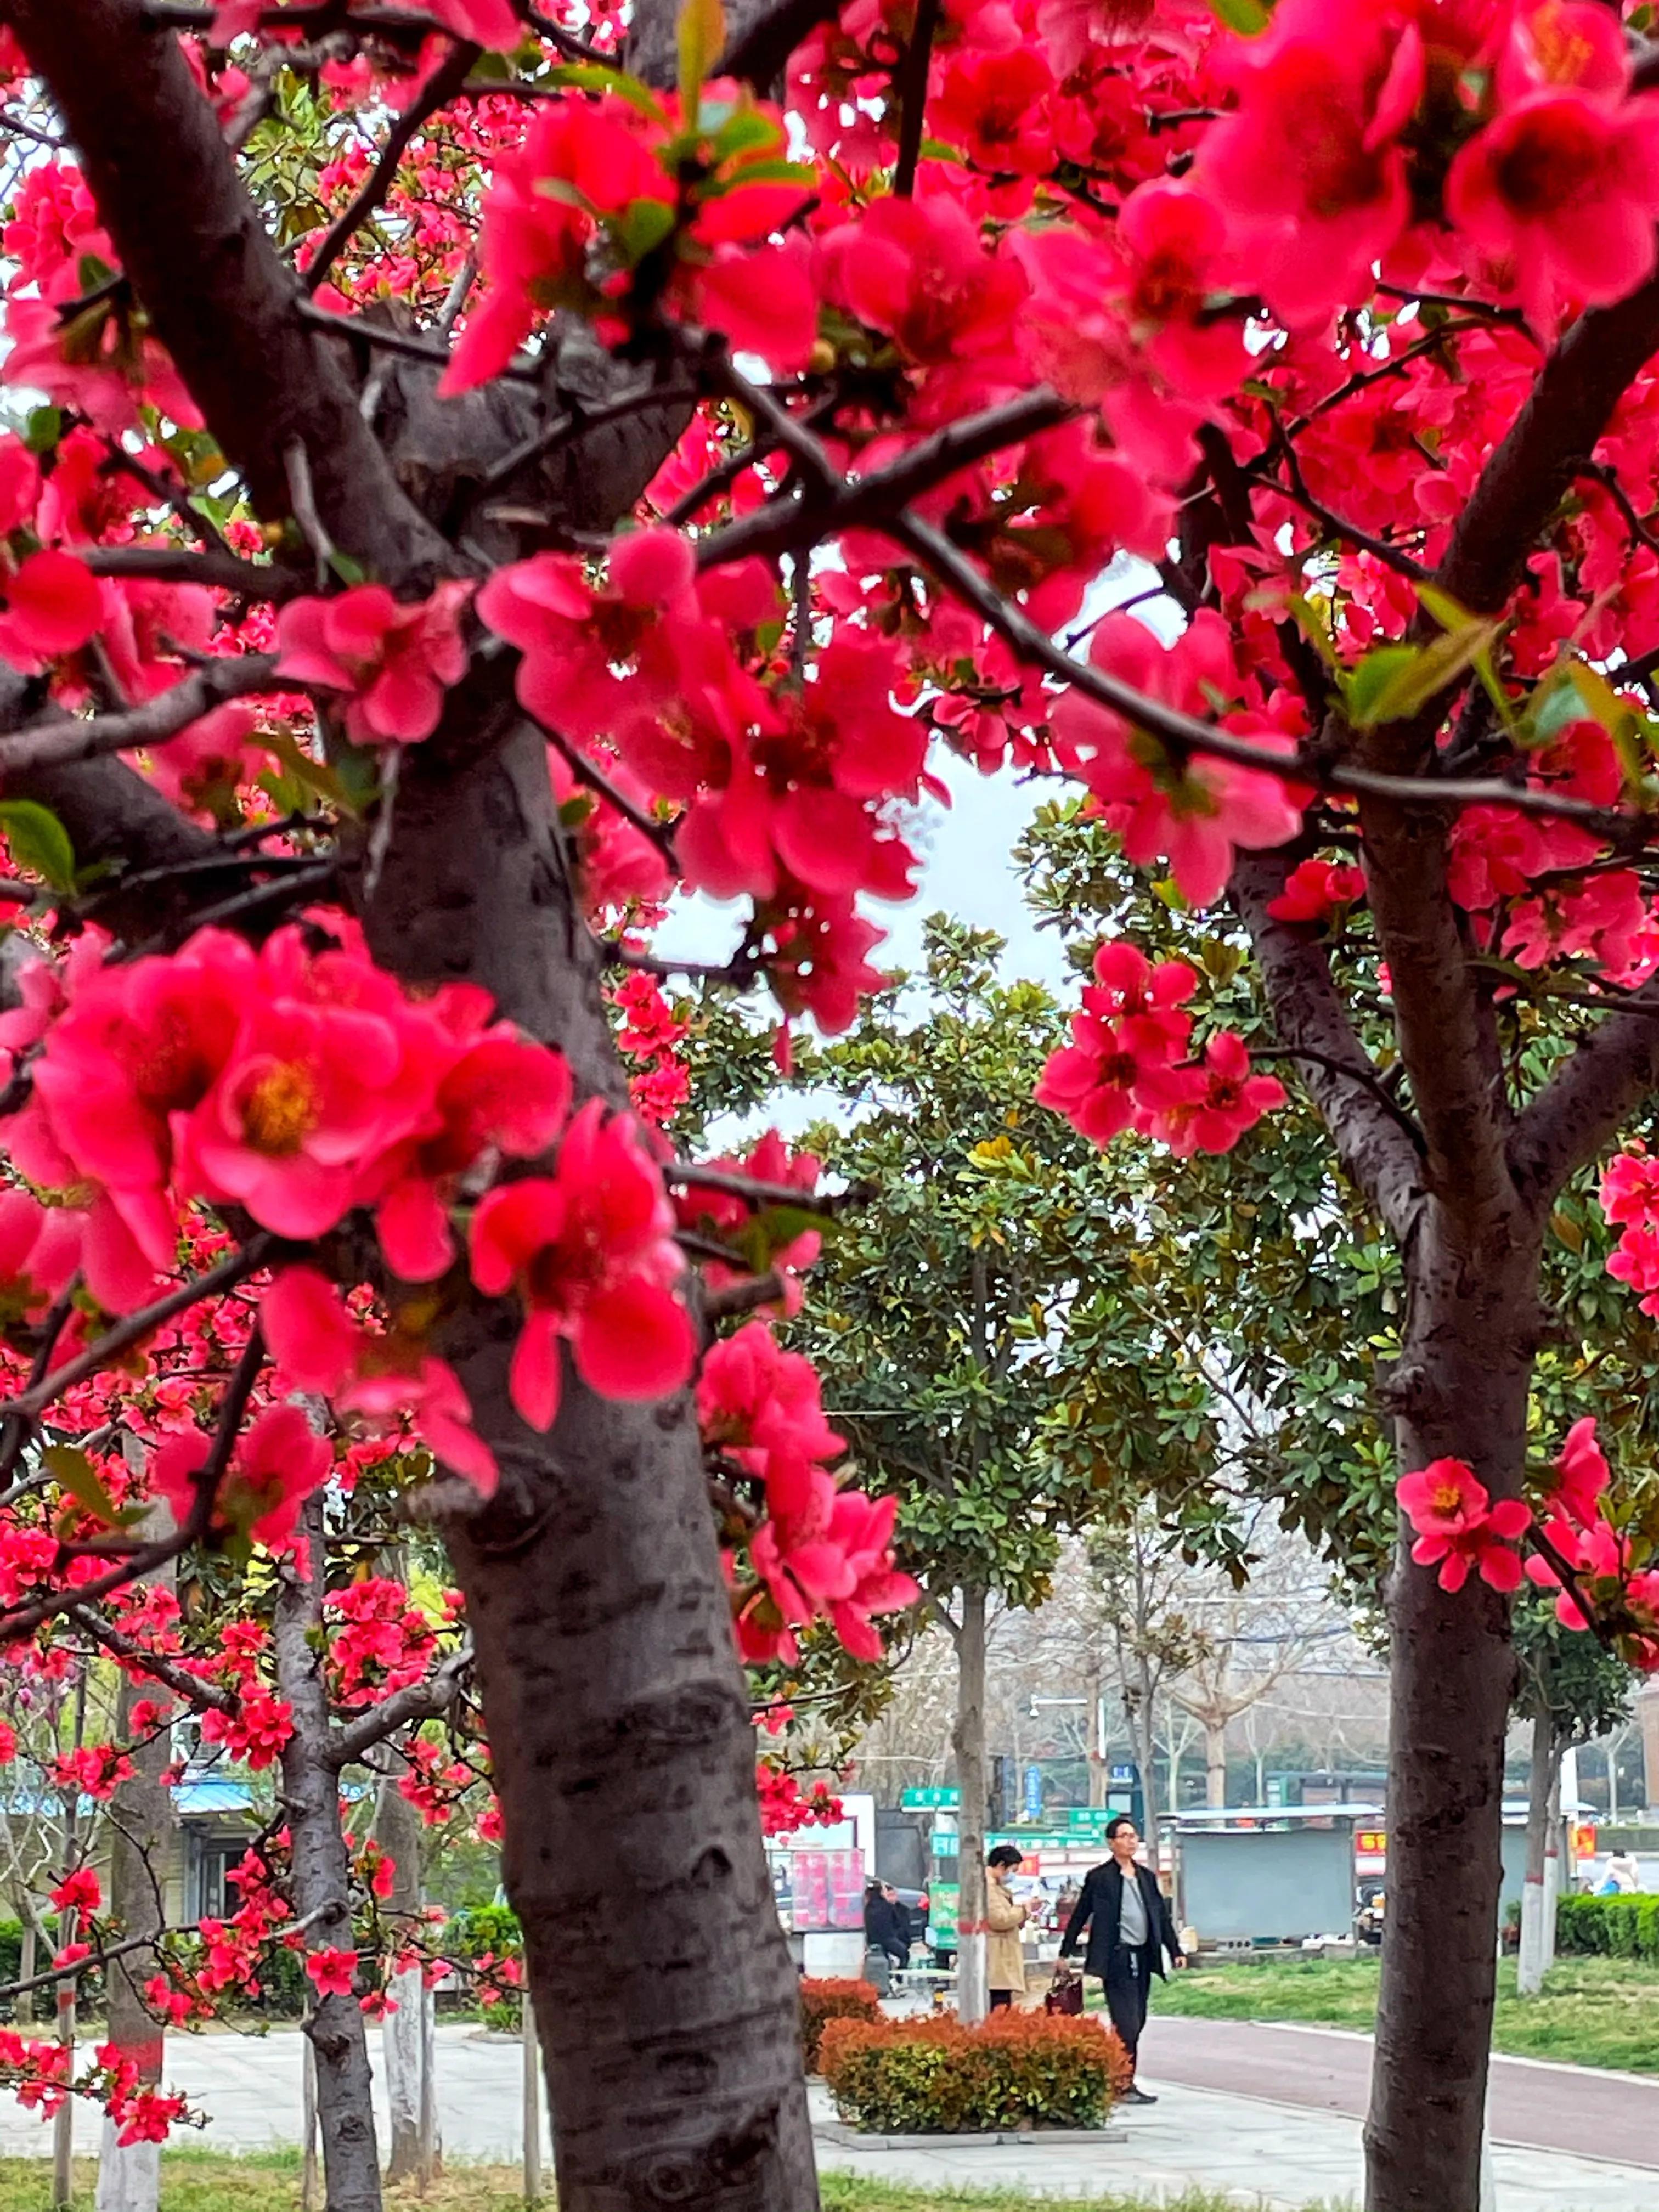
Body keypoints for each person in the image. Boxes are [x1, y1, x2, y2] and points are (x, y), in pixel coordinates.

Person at [1059, 1814, 1184, 2104]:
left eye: (1134, 1836)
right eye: (1125, 1836)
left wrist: (1175, 1950)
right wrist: (1065, 1952)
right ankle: (1122, 2083)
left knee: (1137, 2021)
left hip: (1144, 1956)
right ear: (1111, 1842)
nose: (1131, 1841)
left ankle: (1122, 2078)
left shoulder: (1146, 1878)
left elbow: (1160, 1918)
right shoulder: (1100, 1878)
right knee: (1125, 2023)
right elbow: (1081, 1914)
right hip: (1116, 1959)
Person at [985, 1844, 1031, 2011]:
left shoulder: (996, 1887)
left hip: (1001, 1956)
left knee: (1003, 2002)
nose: (1013, 1875)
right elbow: (999, 1919)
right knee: (999, 2005)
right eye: (1013, 1870)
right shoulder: (988, 1888)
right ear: (1001, 1865)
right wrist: (1024, 1910)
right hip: (996, 1955)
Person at [864, 1878, 909, 1968]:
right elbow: (897, 1923)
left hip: (872, 1941)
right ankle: (899, 1976)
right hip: (888, 1939)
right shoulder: (887, 1906)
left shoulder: (867, 1909)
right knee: (904, 1954)